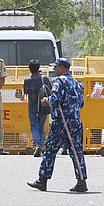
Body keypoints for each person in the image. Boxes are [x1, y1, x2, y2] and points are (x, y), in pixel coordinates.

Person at [28, 58, 88, 193]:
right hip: (75, 121)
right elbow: (82, 103)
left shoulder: (60, 81)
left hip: (61, 121)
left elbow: (55, 99)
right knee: (76, 150)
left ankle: (42, 180)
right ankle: (81, 180)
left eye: (55, 68)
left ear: (62, 68)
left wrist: (45, 101)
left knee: (50, 148)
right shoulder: (77, 84)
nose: (54, 70)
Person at [22, 60, 51, 157]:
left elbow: (25, 93)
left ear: (29, 68)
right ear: (39, 68)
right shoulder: (44, 79)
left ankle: (37, 144)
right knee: (41, 126)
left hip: (32, 107)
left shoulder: (27, 80)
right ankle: (41, 145)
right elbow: (50, 90)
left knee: (34, 127)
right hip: (43, 106)